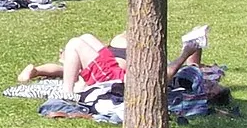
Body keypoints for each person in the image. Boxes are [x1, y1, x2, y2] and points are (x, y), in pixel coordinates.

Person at [19, 26, 207, 95]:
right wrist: (186, 53)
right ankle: (47, 71)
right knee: (85, 37)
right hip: (115, 65)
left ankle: (66, 91)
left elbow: (162, 77)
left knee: (75, 43)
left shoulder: (166, 72)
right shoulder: (174, 68)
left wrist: (185, 54)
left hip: (114, 73)